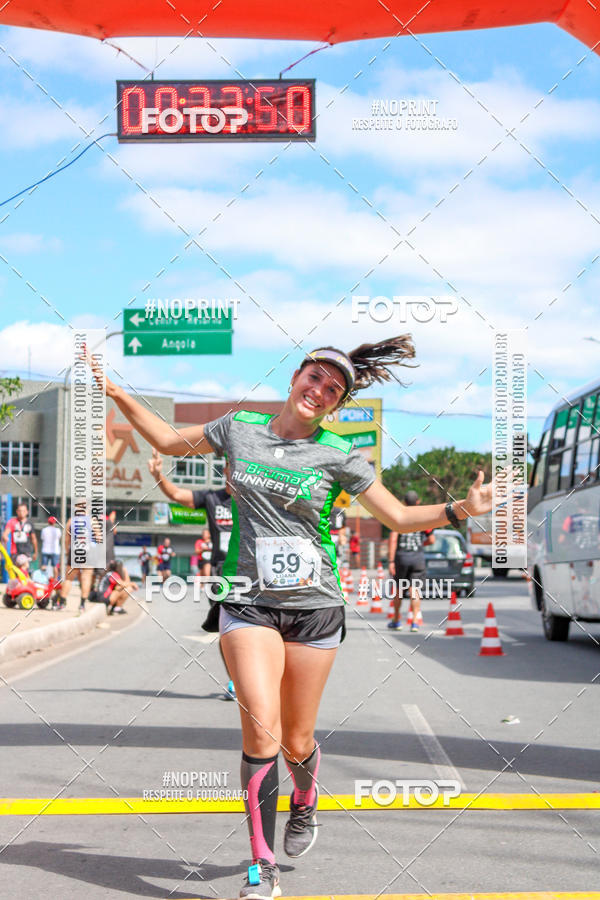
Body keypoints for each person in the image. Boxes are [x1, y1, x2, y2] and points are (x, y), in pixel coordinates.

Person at [91, 338, 496, 900]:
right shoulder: (240, 428)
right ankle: (262, 865)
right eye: (316, 378)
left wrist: (462, 509)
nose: (320, 391)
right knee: (262, 728)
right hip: (248, 601)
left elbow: (399, 516)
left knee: (298, 740)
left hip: (314, 608)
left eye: (333, 390)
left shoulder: (341, 455)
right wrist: (113, 391)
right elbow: (165, 440)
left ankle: (304, 797)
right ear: (296, 375)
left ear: (334, 405)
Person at [148, 448, 235, 699]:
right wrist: (158, 475)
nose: (235, 470)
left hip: (251, 571)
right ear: (225, 470)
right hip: (222, 574)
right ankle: (234, 681)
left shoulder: (251, 499)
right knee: (227, 629)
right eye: (230, 465)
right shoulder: (212, 498)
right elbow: (176, 494)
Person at [388, 490, 435, 632]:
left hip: (402, 557)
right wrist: (420, 545)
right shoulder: (423, 518)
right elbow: (432, 540)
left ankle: (396, 620)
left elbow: (393, 539)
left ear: (404, 502)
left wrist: (390, 561)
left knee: (399, 590)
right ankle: (415, 621)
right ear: (418, 502)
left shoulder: (399, 516)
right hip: (417, 558)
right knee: (415, 590)